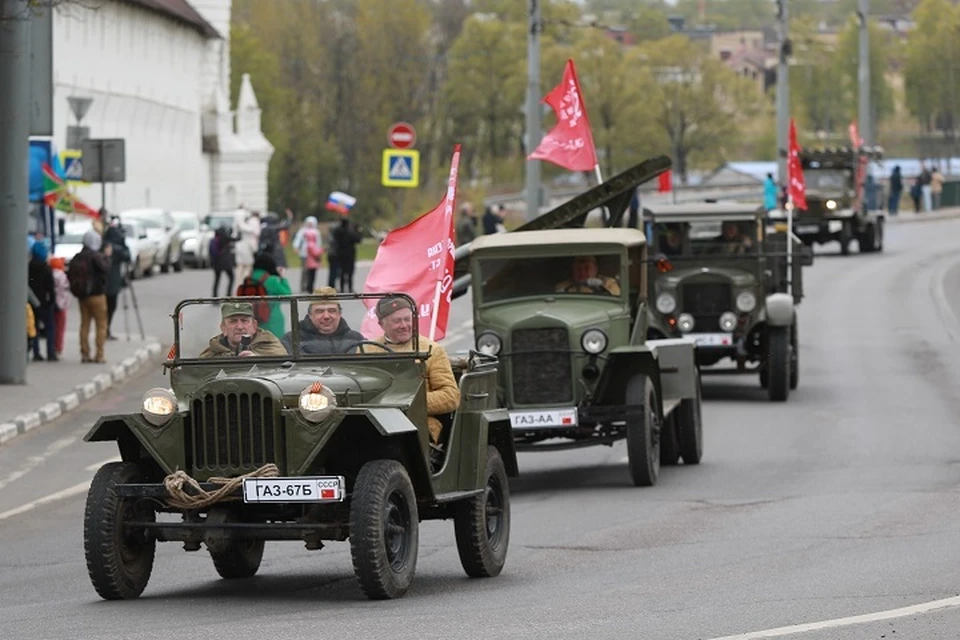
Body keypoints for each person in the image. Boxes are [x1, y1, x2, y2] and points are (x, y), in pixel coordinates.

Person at [372, 295, 460, 447]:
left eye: (408, 319)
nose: (404, 325)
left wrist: (409, 402)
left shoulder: (432, 350)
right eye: (397, 321)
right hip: (375, 421)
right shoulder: (368, 350)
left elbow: (451, 396)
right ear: (382, 324)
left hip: (420, 425)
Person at [280, 286, 365, 355]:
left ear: (339, 314)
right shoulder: (291, 341)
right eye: (319, 311)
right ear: (310, 315)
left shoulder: (357, 340)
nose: (326, 316)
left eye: (332, 311)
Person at [68, 230, 111, 363]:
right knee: (101, 325)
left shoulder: (77, 257)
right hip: (97, 296)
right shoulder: (96, 256)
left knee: (84, 325)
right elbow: (105, 268)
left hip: (83, 297)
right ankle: (99, 354)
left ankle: (85, 354)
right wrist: (107, 255)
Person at [198, 302, 289, 358]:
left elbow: (282, 369)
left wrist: (258, 360)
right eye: (233, 321)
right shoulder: (212, 353)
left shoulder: (269, 344)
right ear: (223, 328)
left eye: (244, 321)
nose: (240, 327)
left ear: (254, 325)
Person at [28, 241, 57, 361]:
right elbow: (51, 287)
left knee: (34, 327)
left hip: (32, 302)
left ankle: (36, 353)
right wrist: (52, 300)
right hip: (45, 301)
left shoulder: (28, 267)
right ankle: (51, 352)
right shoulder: (46, 268)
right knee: (50, 327)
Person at [103, 220, 131, 340]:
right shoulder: (117, 248)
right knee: (110, 307)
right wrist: (124, 245)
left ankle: (104, 330)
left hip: (103, 283)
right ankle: (106, 329)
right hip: (112, 284)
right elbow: (128, 256)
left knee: (105, 309)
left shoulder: (103, 245)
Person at [555, 255, 621, 296]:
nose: (582, 272)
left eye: (587, 268)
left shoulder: (609, 283)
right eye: (578, 269)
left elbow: (615, 300)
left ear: (595, 269)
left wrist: (601, 289)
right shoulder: (564, 286)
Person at [332, 217, 363, 292]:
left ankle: (342, 288)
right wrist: (358, 231)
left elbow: (334, 234)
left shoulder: (337, 231)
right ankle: (350, 287)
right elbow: (358, 240)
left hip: (340, 253)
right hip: (350, 254)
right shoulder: (350, 232)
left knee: (342, 271)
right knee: (350, 272)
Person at [49, 256, 70, 359]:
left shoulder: (49, 274)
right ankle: (58, 347)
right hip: (61, 305)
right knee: (60, 328)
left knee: (51, 327)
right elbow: (65, 291)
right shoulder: (62, 275)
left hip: (51, 304)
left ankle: (51, 348)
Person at [234, 210, 261, 284]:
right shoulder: (244, 224)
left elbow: (255, 232)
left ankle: (243, 283)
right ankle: (241, 284)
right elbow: (256, 232)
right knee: (243, 267)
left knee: (245, 267)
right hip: (244, 247)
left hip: (245, 246)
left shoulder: (247, 223)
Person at [211, 225, 236, 296]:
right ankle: (228, 294)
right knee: (231, 277)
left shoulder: (215, 240)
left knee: (217, 279)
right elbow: (236, 239)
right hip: (226, 263)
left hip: (216, 263)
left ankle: (214, 296)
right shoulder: (226, 238)